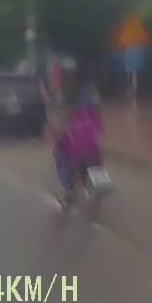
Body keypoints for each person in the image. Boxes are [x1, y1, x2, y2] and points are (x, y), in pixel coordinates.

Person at [51, 68, 104, 206]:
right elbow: (98, 122)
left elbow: (64, 119)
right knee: (95, 157)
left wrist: (58, 132)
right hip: (92, 143)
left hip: (76, 145)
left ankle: (69, 191)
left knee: (61, 158)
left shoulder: (71, 95)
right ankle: (93, 184)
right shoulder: (92, 96)